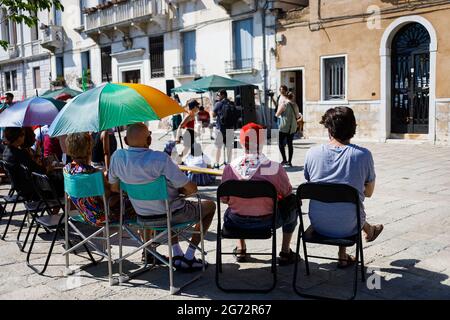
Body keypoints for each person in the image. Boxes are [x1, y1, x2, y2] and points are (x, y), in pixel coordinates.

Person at [108, 122, 216, 271]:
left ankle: (176, 253)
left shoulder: (117, 157)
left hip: (142, 217)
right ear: (149, 140)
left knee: (166, 203)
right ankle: (189, 256)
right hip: (170, 215)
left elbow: (114, 187)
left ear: (125, 141)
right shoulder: (160, 159)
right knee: (210, 206)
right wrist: (181, 192)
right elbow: (192, 188)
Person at [304, 106, 384, 268]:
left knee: (336, 200)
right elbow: (368, 193)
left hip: (318, 224)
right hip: (349, 226)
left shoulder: (312, 153)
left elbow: (310, 182)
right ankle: (352, 246)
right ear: (353, 128)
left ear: (328, 129)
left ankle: (344, 254)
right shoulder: (363, 155)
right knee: (347, 205)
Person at [221, 122, 299, 265]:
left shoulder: (229, 168)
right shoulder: (275, 168)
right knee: (293, 206)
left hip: (236, 221)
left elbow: (224, 199)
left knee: (233, 206)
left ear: (242, 143)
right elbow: (287, 193)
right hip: (267, 221)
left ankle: (241, 248)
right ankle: (285, 251)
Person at [212, 89, 237, 168]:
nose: (218, 97)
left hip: (220, 128)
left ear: (222, 95)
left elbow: (213, 115)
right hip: (230, 128)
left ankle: (217, 164)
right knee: (229, 146)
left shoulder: (218, 104)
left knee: (218, 147)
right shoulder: (231, 103)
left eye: (218, 95)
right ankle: (228, 163)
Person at [276, 91, 301, 167]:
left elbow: (277, 114)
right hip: (292, 127)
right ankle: (289, 162)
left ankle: (284, 159)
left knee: (280, 143)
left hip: (284, 126)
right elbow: (297, 117)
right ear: (292, 97)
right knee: (290, 144)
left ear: (286, 97)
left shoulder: (284, 104)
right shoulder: (295, 105)